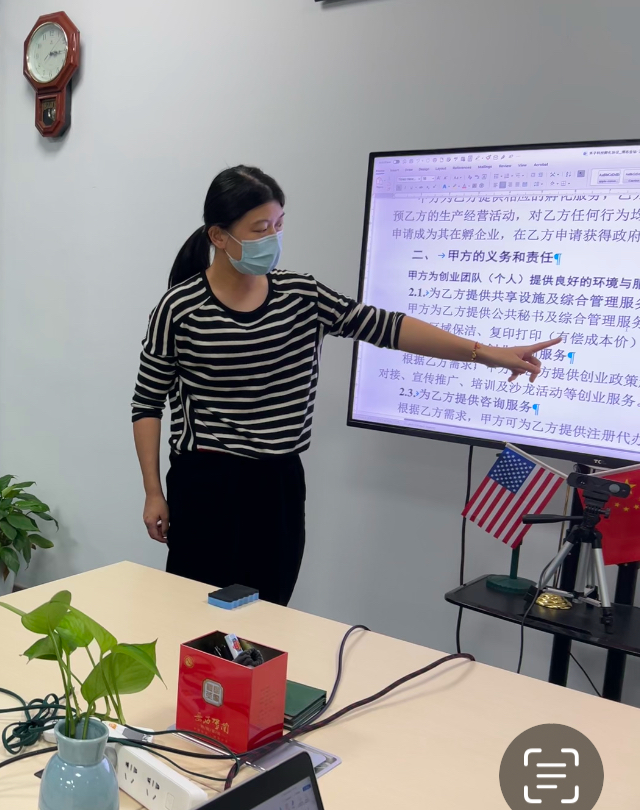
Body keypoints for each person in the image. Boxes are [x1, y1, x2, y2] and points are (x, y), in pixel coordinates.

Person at [131, 166, 558, 605]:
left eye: (278, 225)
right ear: (219, 236)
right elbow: (147, 403)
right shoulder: (179, 308)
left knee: (268, 610)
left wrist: (486, 353)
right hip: (206, 482)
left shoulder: (302, 295)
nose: (272, 238)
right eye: (259, 229)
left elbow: (387, 327)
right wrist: (153, 492)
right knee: (196, 611)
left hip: (278, 483)